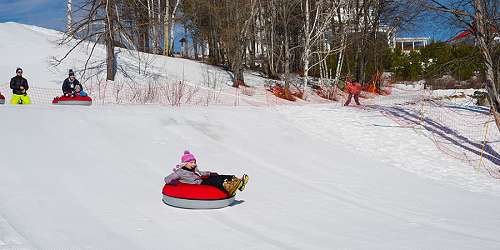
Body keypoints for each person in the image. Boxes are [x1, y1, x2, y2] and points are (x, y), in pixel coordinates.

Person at [164, 150, 249, 196]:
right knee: (214, 181)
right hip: (198, 184)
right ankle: (228, 187)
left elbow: (201, 173)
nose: (194, 164)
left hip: (201, 179)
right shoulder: (180, 172)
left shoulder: (194, 169)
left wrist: (210, 173)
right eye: (191, 162)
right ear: (185, 163)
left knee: (218, 176)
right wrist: (173, 182)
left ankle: (237, 180)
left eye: (194, 162)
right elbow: (167, 178)